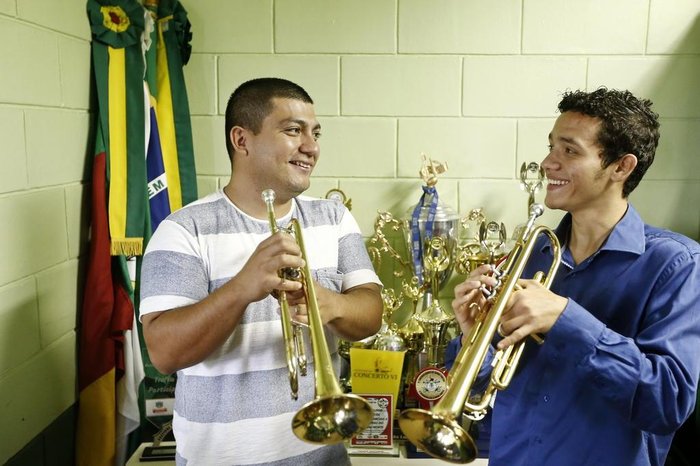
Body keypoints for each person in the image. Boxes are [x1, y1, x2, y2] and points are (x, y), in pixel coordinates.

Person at [448, 87, 700, 466]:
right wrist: (474, 340)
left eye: (569, 150)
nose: (548, 163)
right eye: (551, 147)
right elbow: (482, 388)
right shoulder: (529, 255)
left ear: (621, 167)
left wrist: (565, 320)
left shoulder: (676, 265)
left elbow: (667, 402)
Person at [139, 77, 383, 465]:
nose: (312, 147)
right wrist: (241, 288)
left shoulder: (333, 218)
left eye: (315, 133)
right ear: (242, 140)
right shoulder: (183, 229)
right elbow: (164, 353)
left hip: (322, 458)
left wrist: (330, 304)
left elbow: (371, 313)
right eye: (293, 131)